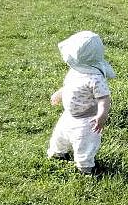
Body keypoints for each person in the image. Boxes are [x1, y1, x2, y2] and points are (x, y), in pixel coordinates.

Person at [46, 30, 116, 174]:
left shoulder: (96, 78)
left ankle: (85, 167)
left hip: (86, 120)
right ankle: (58, 153)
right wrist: (59, 94)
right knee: (59, 136)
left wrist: (102, 115)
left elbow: (104, 98)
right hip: (68, 115)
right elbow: (69, 86)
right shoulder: (75, 71)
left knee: (84, 145)